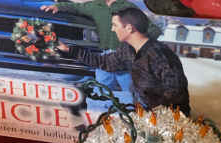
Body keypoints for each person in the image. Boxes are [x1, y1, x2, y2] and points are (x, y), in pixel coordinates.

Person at [42, 0, 161, 94]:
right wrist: (58, 6)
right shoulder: (95, 7)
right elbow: (76, 7)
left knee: (134, 93)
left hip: (126, 60)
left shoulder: (128, 7)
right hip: (104, 58)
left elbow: (153, 30)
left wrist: (135, 48)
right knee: (101, 93)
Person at [59, 6, 190, 114]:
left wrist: (152, 115)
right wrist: (69, 49)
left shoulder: (159, 54)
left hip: (167, 117)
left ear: (129, 28)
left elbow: (175, 91)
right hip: (142, 108)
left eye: (115, 25)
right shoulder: (128, 49)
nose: (112, 29)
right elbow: (104, 62)